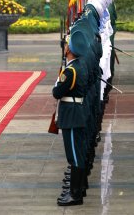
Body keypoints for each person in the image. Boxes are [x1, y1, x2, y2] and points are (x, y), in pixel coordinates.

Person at [52, 29, 89, 206]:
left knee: (74, 155)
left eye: (67, 45)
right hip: (76, 111)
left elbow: (57, 92)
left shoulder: (71, 71)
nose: (65, 47)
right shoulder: (79, 66)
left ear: (69, 49)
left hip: (72, 114)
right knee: (78, 153)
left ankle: (75, 195)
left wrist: (58, 82)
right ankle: (78, 189)